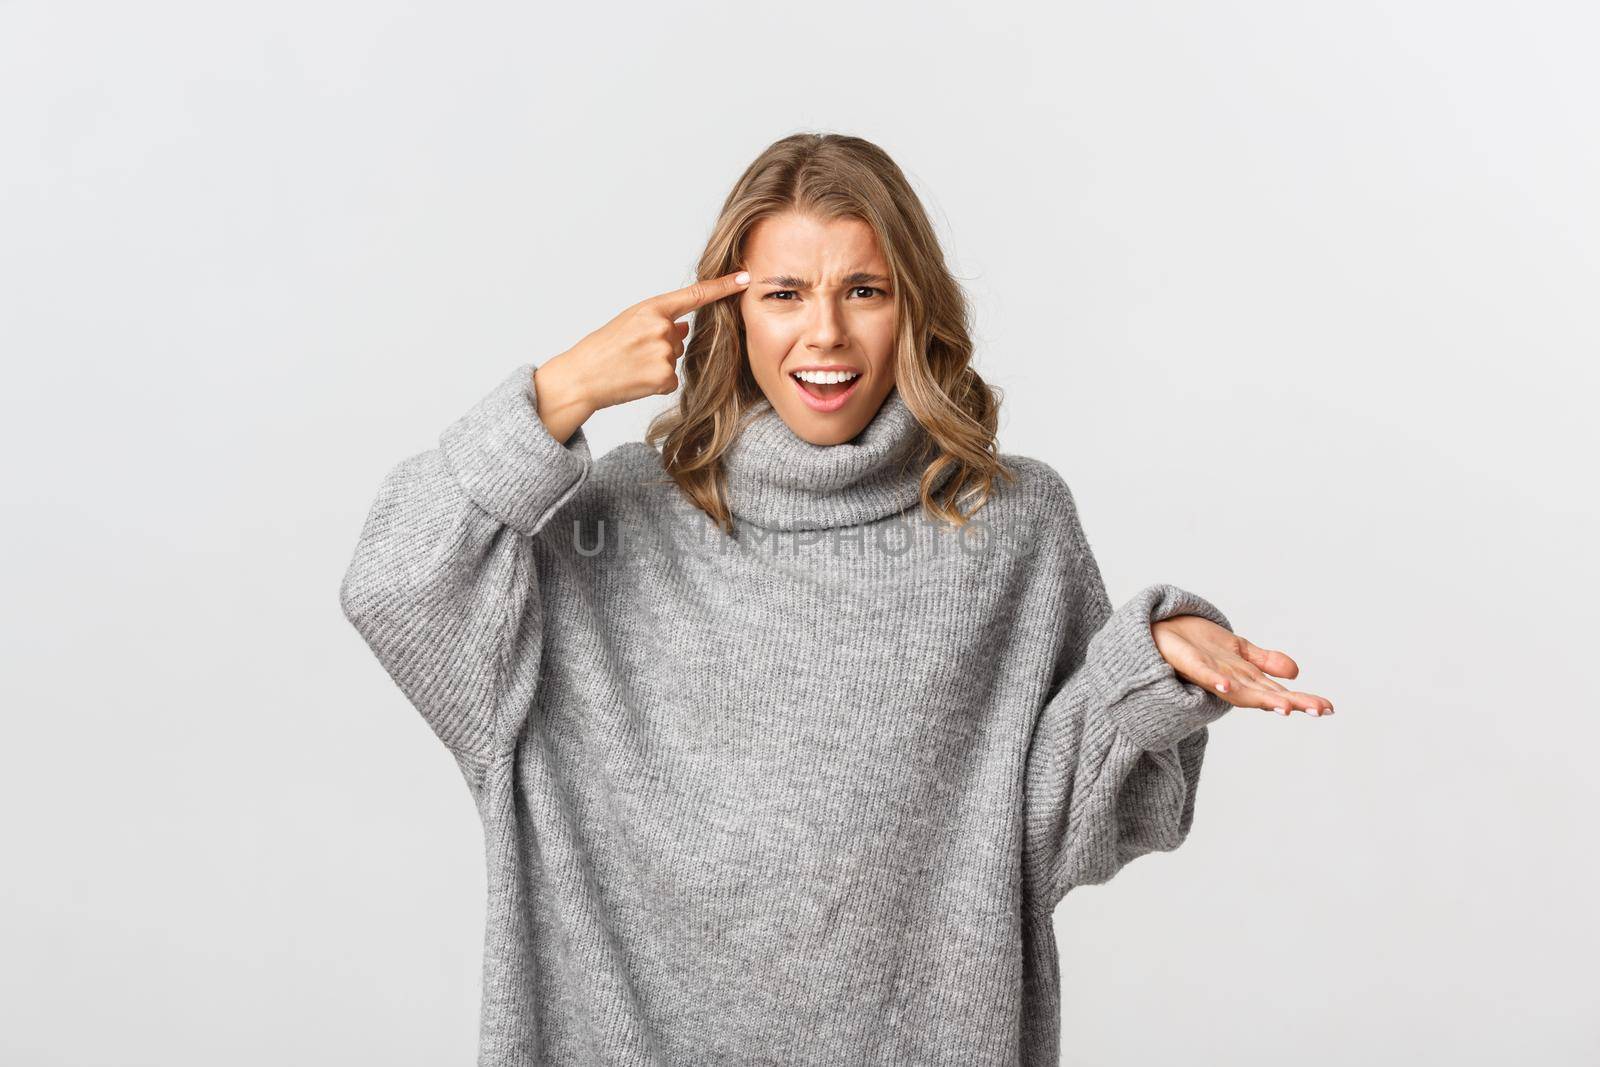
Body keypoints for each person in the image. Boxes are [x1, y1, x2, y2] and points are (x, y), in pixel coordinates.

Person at [338, 132, 1333, 1066]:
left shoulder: (1008, 524)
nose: (825, 331)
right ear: (730, 313)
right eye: (783, 292)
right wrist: (556, 394)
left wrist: (1149, 660)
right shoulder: (599, 524)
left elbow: (1061, 831)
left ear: (914, 306)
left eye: (864, 288)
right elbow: (394, 584)